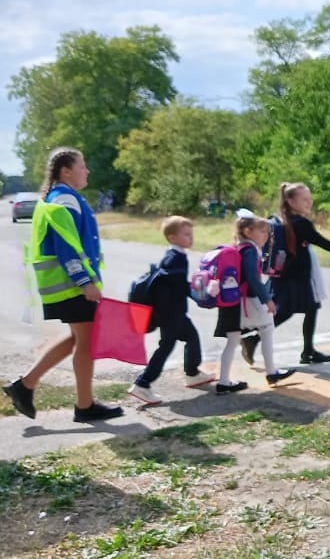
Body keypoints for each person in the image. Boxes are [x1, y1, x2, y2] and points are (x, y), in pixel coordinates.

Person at [3, 147, 122, 423]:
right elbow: (65, 246)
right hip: (71, 285)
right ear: (66, 170)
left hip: (67, 285)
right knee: (86, 341)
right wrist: (84, 282)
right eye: (82, 166)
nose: (87, 171)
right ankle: (84, 405)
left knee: (77, 339)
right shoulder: (64, 199)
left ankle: (25, 385)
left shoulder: (61, 196)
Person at [243, 182, 330, 367]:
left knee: (300, 309)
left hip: (281, 275)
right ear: (290, 201)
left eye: (309, 198)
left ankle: (306, 350)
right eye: (304, 199)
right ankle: (256, 339)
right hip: (297, 277)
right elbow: (324, 243)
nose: (309, 202)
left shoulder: (277, 218)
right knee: (297, 310)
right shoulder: (301, 224)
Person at [128, 216, 213, 406]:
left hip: (173, 312)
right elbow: (178, 286)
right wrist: (201, 293)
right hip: (171, 313)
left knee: (191, 337)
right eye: (186, 234)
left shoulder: (176, 255)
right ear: (172, 238)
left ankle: (192, 373)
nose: (191, 238)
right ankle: (143, 383)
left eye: (191, 234)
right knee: (166, 346)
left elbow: (176, 284)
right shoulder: (175, 259)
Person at [215, 213, 296, 393]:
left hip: (232, 301)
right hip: (249, 300)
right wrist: (267, 300)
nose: (266, 236)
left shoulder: (237, 247)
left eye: (267, 232)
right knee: (267, 329)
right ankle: (271, 372)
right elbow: (253, 278)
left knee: (232, 341)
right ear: (247, 231)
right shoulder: (250, 250)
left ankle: (223, 382)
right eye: (262, 231)